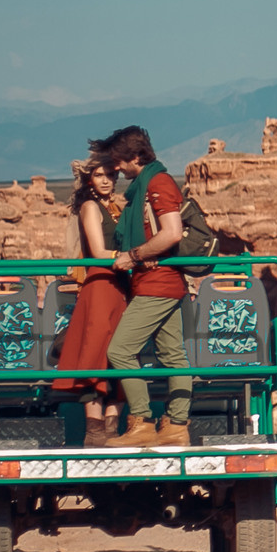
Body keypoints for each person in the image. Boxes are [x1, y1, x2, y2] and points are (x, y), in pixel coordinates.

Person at [95, 126, 193, 443]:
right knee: (172, 355)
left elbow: (171, 232)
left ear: (136, 157)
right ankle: (176, 426)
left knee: (120, 350)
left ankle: (142, 423)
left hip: (157, 284)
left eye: (120, 162)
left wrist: (133, 256)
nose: (117, 169)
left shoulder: (157, 184)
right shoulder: (145, 185)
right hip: (158, 283)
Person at [49, 161, 131, 441]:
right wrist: (135, 255)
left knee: (120, 357)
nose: (106, 180)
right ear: (89, 180)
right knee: (95, 355)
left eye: (110, 174)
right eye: (99, 175)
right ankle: (94, 431)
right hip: (99, 288)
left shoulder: (118, 209)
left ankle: (111, 429)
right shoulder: (90, 207)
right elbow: (97, 251)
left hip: (121, 287)